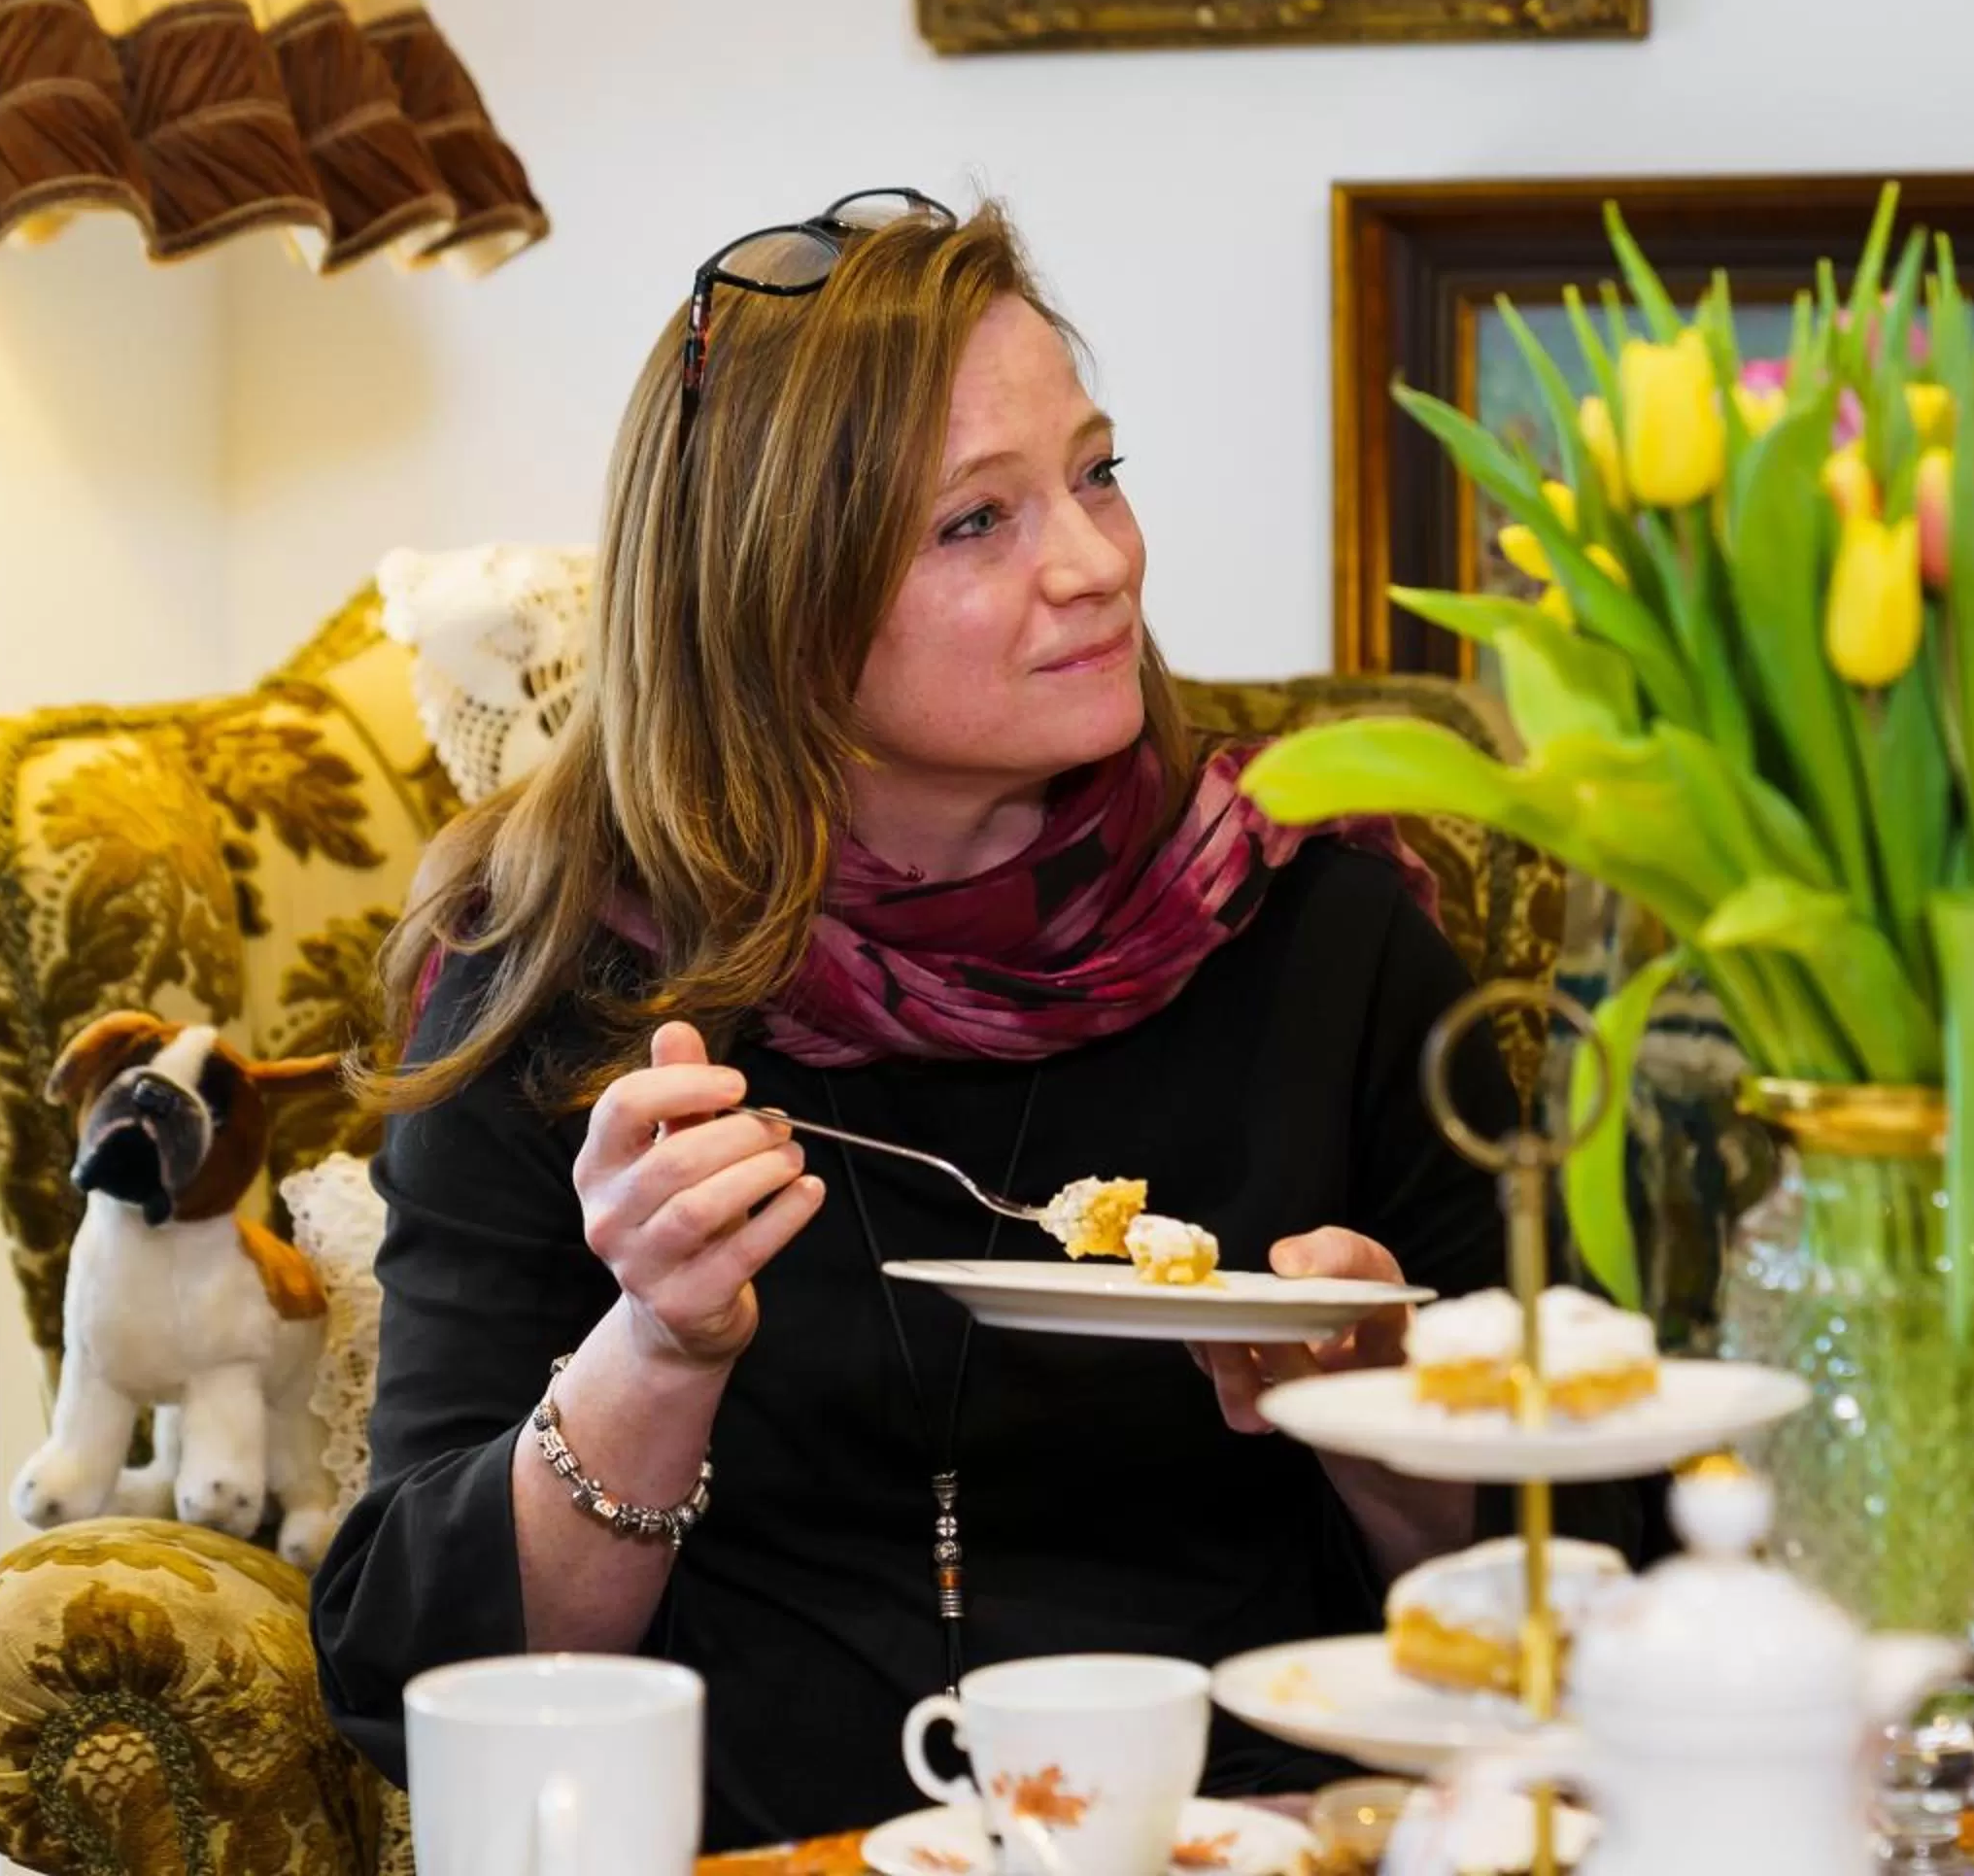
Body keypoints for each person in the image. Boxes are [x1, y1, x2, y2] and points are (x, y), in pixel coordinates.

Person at [310, 189, 1613, 1852]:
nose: (1097, 564)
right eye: (975, 524)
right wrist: (655, 1352)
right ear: (775, 602)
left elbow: (1596, 1612)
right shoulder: (565, 983)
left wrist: (1376, 1408)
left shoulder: (1319, 935)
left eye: (1096, 473)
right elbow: (420, 1681)